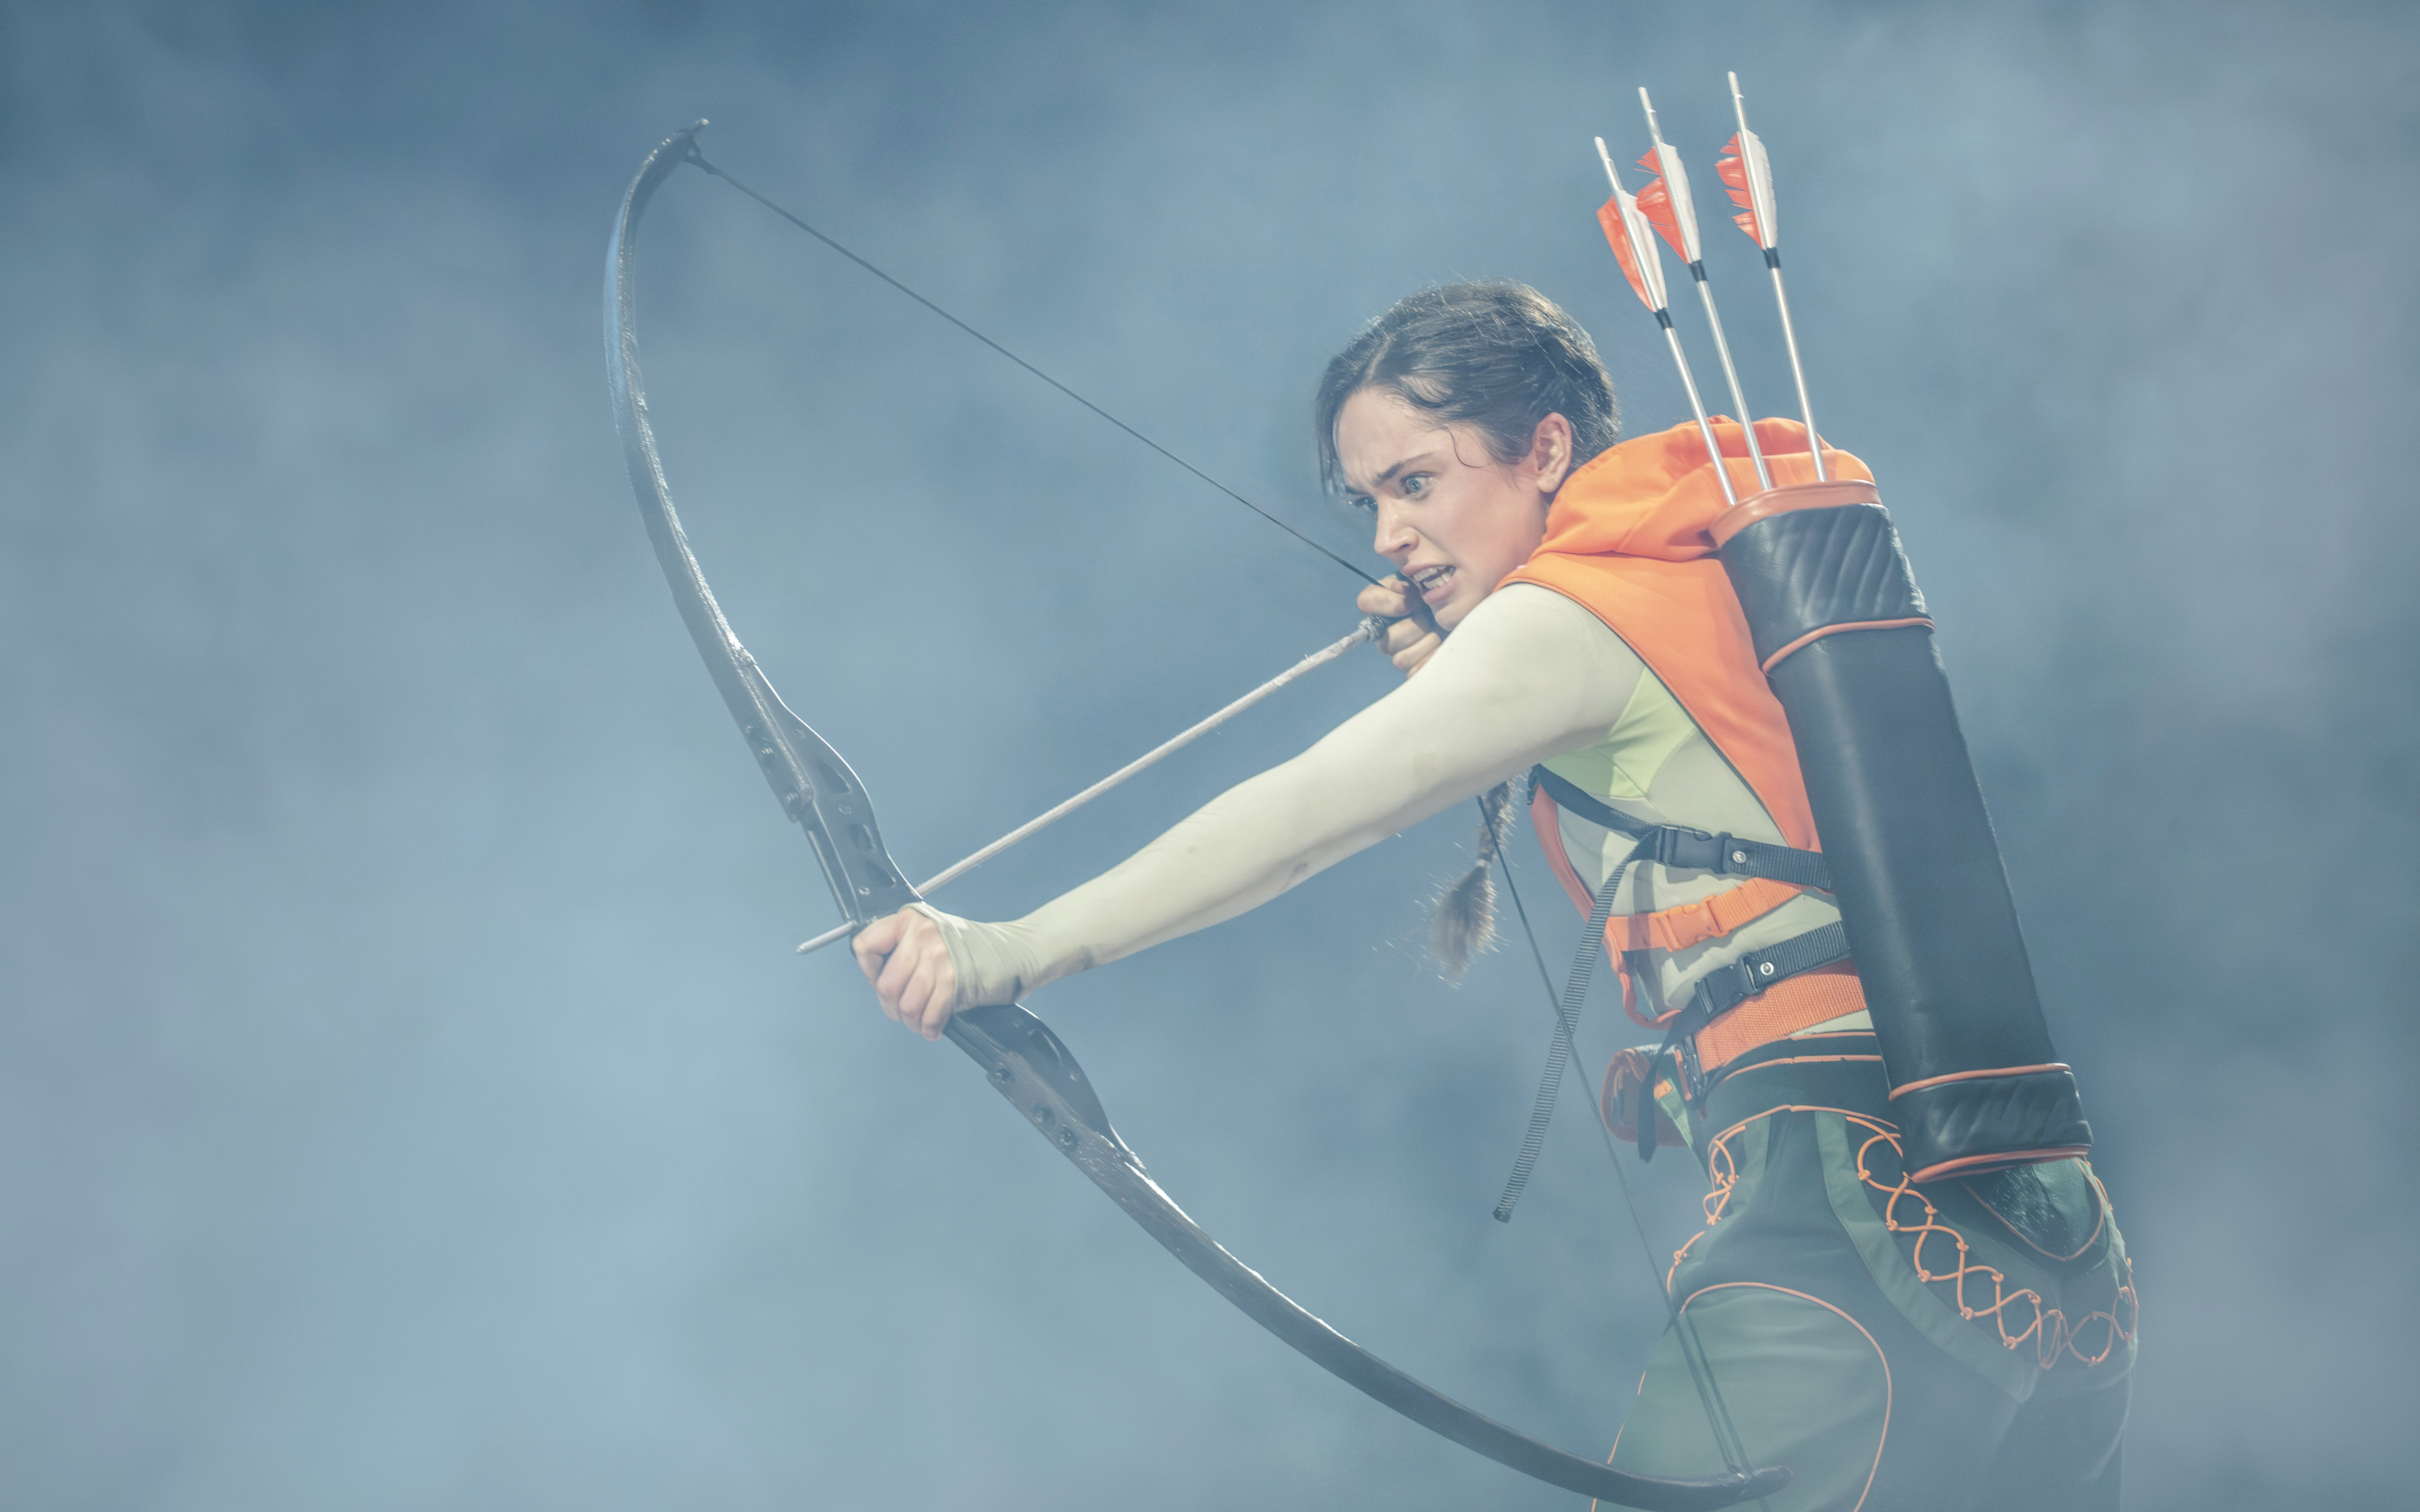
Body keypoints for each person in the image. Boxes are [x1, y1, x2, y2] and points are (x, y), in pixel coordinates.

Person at [853, 281, 2135, 1511]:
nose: (1388, 536)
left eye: (1417, 483)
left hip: (1850, 1213)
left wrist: (1008, 949)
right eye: (1369, 499)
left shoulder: (1573, 614)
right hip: (2044, 1217)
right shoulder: (1700, 572)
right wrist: (1470, 670)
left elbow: (1302, 819)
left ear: (1547, 449)